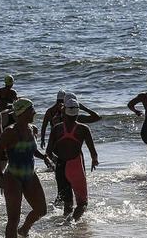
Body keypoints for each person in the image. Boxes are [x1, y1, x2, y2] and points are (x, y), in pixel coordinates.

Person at [0, 98, 53, 238]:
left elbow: (31, 150)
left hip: (30, 175)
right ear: (23, 112)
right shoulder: (10, 132)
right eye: (32, 109)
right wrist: (0, 177)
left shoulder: (32, 129)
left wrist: (44, 157)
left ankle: (24, 229)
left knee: (41, 210)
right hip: (13, 177)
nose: (35, 112)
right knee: (13, 219)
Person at [47, 93, 99, 221]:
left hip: (60, 166)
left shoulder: (57, 128)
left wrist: (56, 162)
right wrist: (94, 160)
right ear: (77, 113)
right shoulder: (83, 128)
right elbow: (93, 152)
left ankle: (66, 229)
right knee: (82, 203)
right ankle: (71, 224)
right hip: (75, 165)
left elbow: (48, 152)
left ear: (64, 111)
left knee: (67, 203)